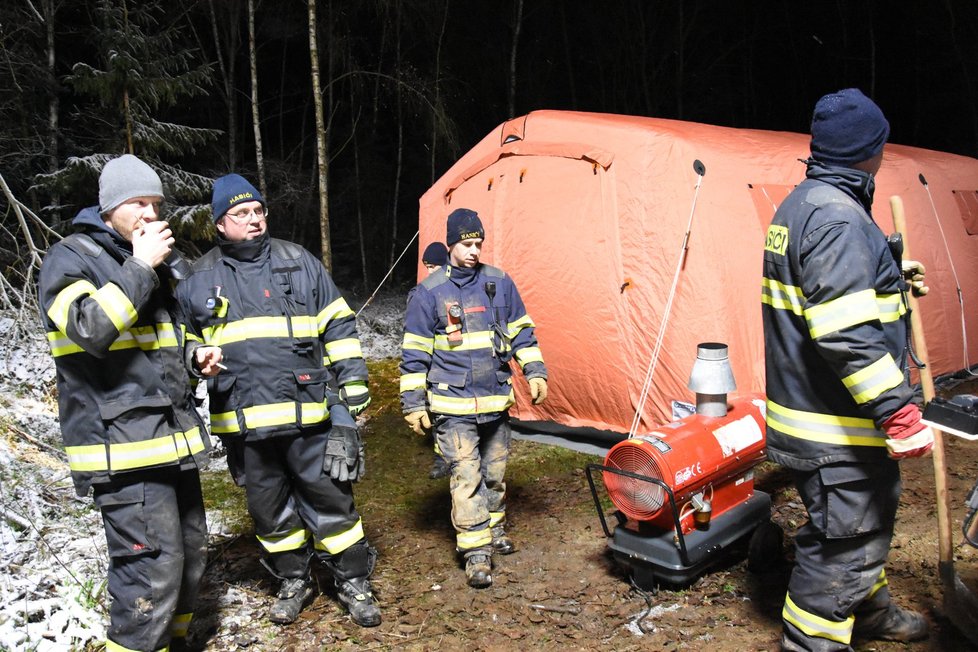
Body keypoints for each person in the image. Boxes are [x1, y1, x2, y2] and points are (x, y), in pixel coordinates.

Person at [761, 88, 934, 651]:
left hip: (814, 415)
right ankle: (814, 642)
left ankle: (871, 612)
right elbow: (845, 335)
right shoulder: (837, 218)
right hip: (836, 426)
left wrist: (888, 274)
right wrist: (899, 413)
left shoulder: (806, 202)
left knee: (864, 524)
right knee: (845, 544)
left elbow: (829, 293)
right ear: (872, 149)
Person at [175, 173, 381, 627]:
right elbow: (181, 342)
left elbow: (338, 323)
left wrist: (352, 383)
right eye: (241, 213)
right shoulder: (197, 279)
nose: (253, 219)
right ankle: (294, 579)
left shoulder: (298, 261)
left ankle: (353, 581)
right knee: (269, 512)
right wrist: (194, 357)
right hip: (244, 423)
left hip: (308, 412)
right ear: (219, 224)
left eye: (258, 211)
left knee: (332, 502)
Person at [38, 154, 223, 652]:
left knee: (189, 558)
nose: (149, 212)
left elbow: (157, 342)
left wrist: (194, 355)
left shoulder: (144, 262)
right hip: (122, 450)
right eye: (137, 202)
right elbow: (90, 330)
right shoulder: (72, 258)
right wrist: (140, 264)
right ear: (109, 207)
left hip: (170, 443)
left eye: (156, 203)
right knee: (150, 572)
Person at [399, 208, 548, 588]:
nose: (473, 251)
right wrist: (414, 404)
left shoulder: (499, 281)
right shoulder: (429, 293)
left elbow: (521, 332)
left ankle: (494, 530)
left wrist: (534, 370)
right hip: (453, 407)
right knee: (466, 477)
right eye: (466, 244)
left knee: (494, 476)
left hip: (496, 401)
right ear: (450, 244)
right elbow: (414, 352)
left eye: (478, 243)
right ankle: (476, 551)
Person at [416, 241, 452, 480]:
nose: (430, 272)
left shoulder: (458, 290)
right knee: (439, 413)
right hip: (435, 366)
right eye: (427, 267)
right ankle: (442, 458)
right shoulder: (425, 293)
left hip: (454, 366)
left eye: (434, 266)